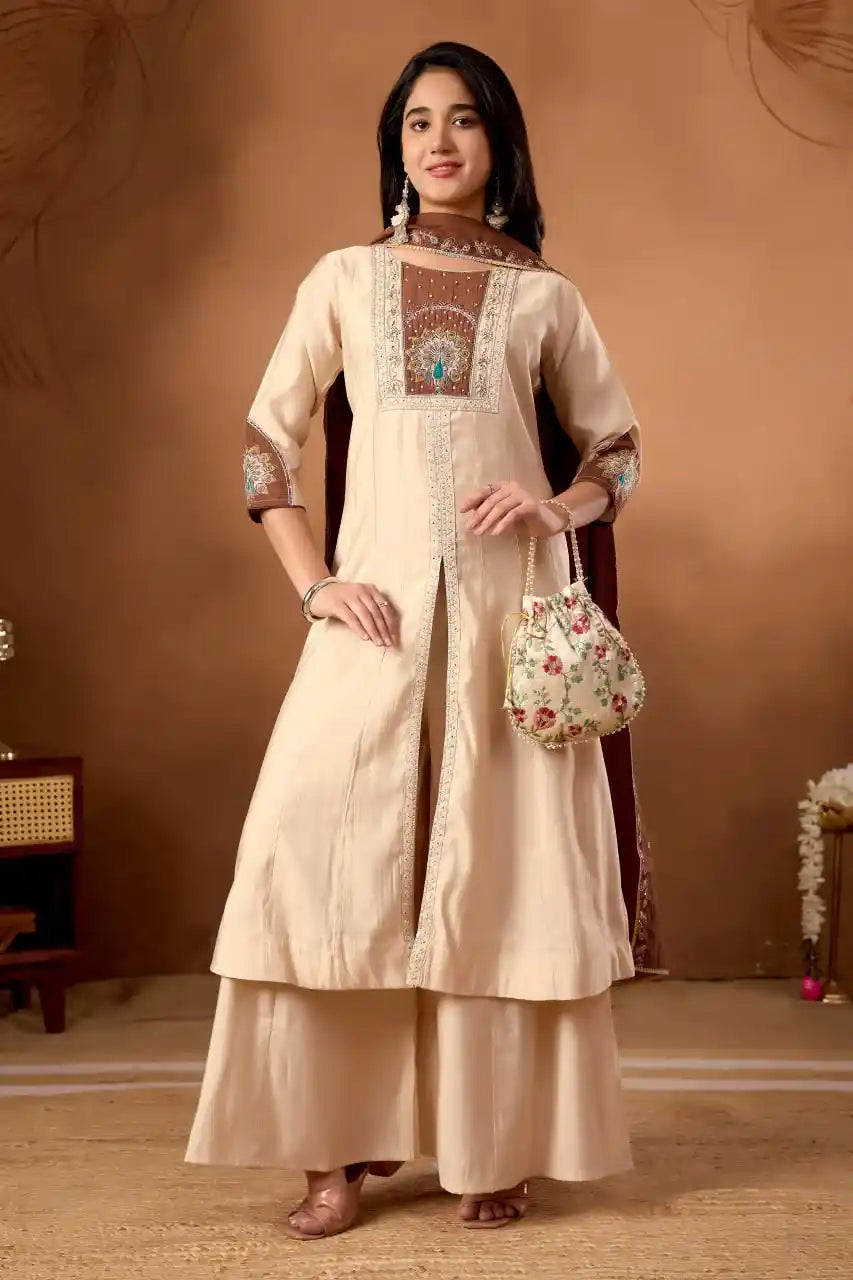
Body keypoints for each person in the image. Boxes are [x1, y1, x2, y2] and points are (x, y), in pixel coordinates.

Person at [186, 40, 652, 1240]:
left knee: (497, 873)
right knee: (323, 856)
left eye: (463, 121)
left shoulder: (546, 296)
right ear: (395, 148)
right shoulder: (341, 276)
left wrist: (555, 506)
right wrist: (315, 583)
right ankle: (336, 1152)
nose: (439, 141)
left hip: (508, 623)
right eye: (416, 123)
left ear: (498, 145)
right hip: (378, 614)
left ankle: (492, 1143)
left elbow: (619, 452)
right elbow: (261, 441)